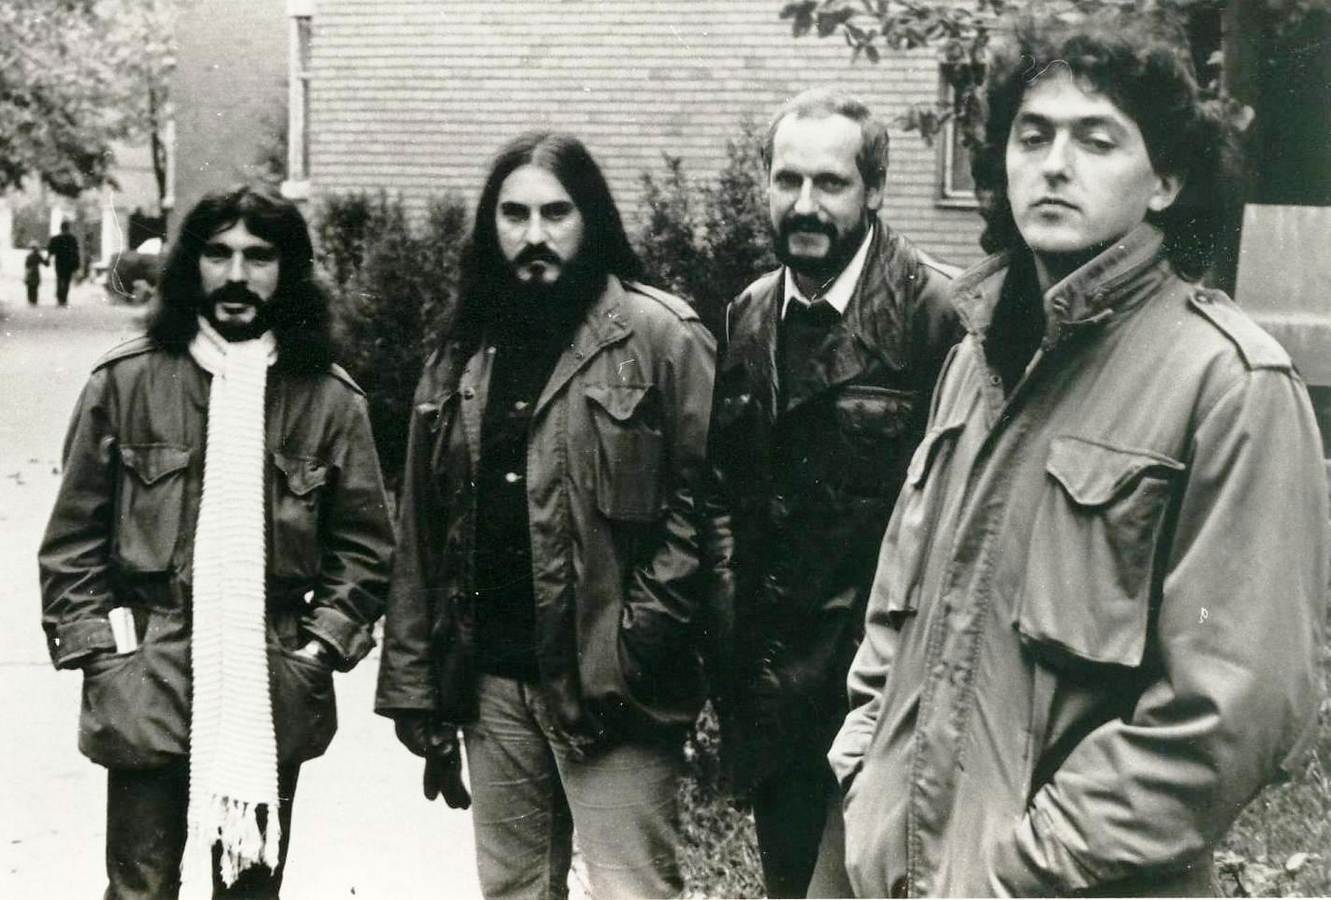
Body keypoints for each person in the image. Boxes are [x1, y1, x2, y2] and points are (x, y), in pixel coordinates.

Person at [829, 11, 1329, 897]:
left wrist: (1016, 868)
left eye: (1096, 140)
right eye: (1032, 136)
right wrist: (865, 776)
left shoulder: (1230, 383)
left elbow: (1232, 711)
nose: (1054, 163)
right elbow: (895, 611)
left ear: (1165, 180)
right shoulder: (973, 360)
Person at [375, 131, 717, 899]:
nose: (534, 235)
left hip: (613, 686)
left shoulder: (661, 337)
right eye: (514, 214)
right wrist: (417, 686)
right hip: (493, 685)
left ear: (590, 219)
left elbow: (700, 512)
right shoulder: (460, 352)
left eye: (556, 213)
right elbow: (421, 532)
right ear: (489, 226)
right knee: (514, 890)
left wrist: (631, 649)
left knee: (632, 891)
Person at [39, 184, 395, 899]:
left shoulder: (329, 400)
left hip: (268, 685)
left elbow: (364, 550)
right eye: (218, 254)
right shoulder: (125, 382)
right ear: (189, 266)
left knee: (250, 888)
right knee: (139, 889)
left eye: (259, 257)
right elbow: (72, 543)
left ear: (288, 271)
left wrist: (317, 649)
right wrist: (102, 654)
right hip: (147, 676)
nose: (237, 275)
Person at [703, 88, 961, 898]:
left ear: (874, 189)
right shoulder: (748, 314)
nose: (804, 205)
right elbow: (726, 493)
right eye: (787, 181)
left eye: (830, 183)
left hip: (883, 696)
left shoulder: (939, 316)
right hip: (773, 698)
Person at [47, 220, 81, 306]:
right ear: (68, 228)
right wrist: (77, 265)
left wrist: (48, 259)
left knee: (59, 279)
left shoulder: (56, 239)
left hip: (59, 263)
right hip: (69, 263)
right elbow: (76, 252)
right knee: (66, 281)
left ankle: (60, 299)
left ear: (61, 228)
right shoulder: (72, 239)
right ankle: (64, 299)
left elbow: (51, 251)